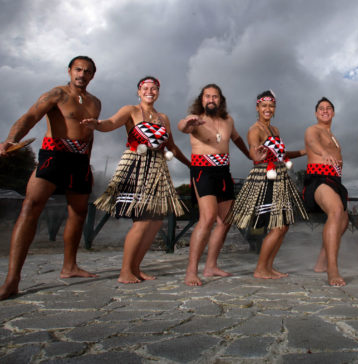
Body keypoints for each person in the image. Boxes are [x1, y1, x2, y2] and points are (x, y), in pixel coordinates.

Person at [0, 56, 100, 300]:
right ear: (69, 70)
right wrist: (12, 138)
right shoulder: (57, 94)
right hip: (54, 154)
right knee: (30, 207)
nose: (82, 74)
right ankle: (12, 279)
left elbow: (89, 133)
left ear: (92, 76)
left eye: (87, 71)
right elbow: (31, 116)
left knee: (78, 213)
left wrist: (87, 161)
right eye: (78, 69)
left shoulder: (95, 102)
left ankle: (70, 266)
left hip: (80, 160)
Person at [81, 76, 190, 283]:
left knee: (156, 222)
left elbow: (172, 147)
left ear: (158, 92)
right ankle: (125, 271)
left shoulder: (163, 118)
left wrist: (191, 165)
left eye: (154, 88)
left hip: (157, 169)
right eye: (145, 88)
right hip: (135, 166)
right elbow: (111, 123)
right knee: (141, 220)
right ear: (139, 92)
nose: (150, 91)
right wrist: (97, 124)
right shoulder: (130, 110)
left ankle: (136, 268)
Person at [226, 90, 307, 279]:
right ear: (257, 107)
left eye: (271, 106)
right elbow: (253, 151)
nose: (268, 109)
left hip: (280, 178)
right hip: (265, 178)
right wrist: (256, 154)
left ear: (275, 108)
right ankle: (260, 268)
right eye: (264, 106)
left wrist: (304, 151)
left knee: (283, 225)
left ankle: (269, 267)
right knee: (277, 226)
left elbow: (282, 155)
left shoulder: (275, 130)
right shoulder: (255, 129)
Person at [178, 84, 252, 286]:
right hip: (203, 171)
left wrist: (250, 156)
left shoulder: (228, 120)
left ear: (221, 100)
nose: (211, 99)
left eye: (215, 96)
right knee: (208, 217)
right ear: (201, 100)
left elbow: (236, 138)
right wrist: (188, 122)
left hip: (223, 172)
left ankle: (211, 266)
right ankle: (191, 271)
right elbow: (183, 127)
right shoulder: (195, 119)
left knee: (226, 220)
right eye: (207, 96)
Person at [303, 97, 349, 286]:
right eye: (321, 108)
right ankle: (332, 269)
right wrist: (324, 153)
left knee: (343, 221)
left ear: (333, 112)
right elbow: (313, 143)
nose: (325, 110)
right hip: (318, 179)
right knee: (336, 211)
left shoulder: (334, 137)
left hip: (336, 180)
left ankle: (321, 262)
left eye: (329, 108)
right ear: (316, 113)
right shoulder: (313, 130)